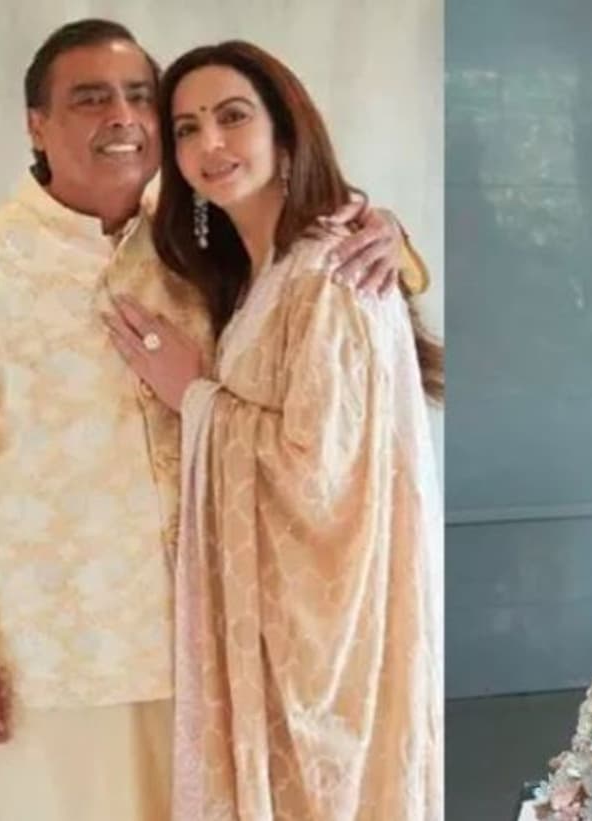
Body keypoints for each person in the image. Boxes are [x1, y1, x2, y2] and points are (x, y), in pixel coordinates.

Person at [0, 19, 424, 821]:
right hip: (49, 670)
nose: (124, 118)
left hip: (210, 659)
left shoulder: (191, 244)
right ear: (36, 124)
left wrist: (391, 239)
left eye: (141, 97)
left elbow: (309, 282)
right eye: (90, 99)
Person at [102, 41, 443, 820]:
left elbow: (322, 476)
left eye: (232, 117)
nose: (210, 144)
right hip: (265, 639)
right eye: (187, 129)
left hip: (322, 661)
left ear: (286, 134)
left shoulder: (328, 274)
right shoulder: (261, 272)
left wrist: (196, 398)